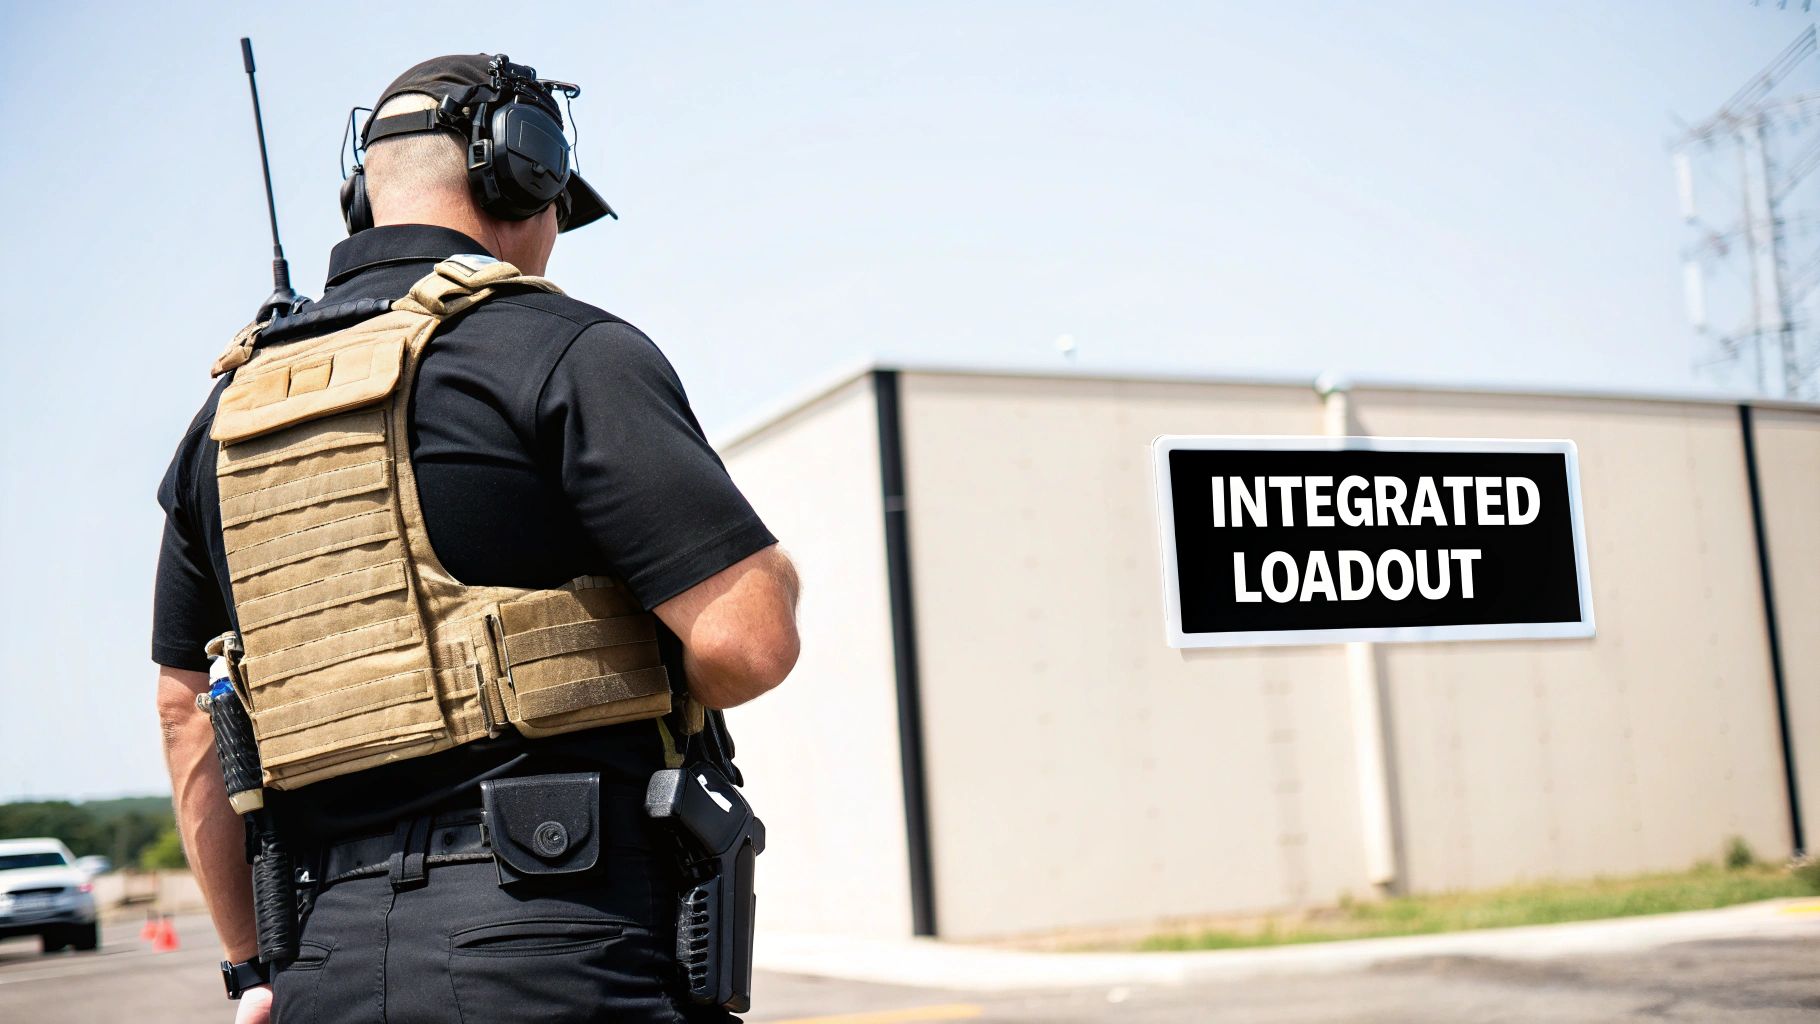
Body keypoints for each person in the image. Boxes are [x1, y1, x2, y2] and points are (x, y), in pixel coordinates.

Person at [152, 53, 799, 1024]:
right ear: (521, 175)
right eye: (557, 209)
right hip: (561, 948)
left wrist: (254, 970)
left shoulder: (223, 420)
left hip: (323, 964)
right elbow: (748, 641)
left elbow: (187, 714)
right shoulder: (565, 352)